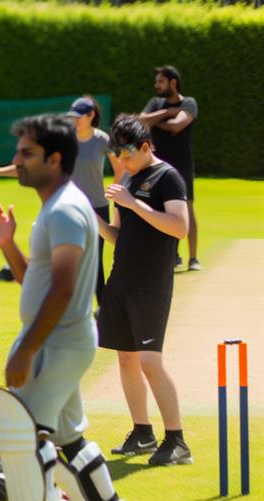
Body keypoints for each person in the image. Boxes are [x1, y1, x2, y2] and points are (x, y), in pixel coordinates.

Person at [0, 114, 140, 501]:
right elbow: (39, 279)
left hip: (59, 345)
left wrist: (28, 347)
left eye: (27, 154)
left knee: (21, 436)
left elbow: (65, 288)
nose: (17, 162)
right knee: (69, 438)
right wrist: (8, 244)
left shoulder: (67, 209)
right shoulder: (59, 206)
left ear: (55, 159)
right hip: (63, 341)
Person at [98, 115, 192, 466]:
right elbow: (118, 236)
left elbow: (179, 227)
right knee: (126, 357)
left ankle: (177, 440)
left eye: (126, 154)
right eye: (118, 155)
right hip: (121, 279)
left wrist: (133, 202)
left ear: (145, 147)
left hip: (151, 284)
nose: (121, 162)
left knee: (151, 361)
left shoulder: (167, 177)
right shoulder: (128, 178)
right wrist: (96, 221)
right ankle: (142, 432)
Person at [0, 96, 122, 304]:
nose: (75, 121)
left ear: (91, 116)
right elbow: (36, 280)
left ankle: (105, 311)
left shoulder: (102, 140)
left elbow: (120, 170)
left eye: (79, 117)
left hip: (96, 208)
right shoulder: (66, 142)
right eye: (72, 117)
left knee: (94, 264)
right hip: (68, 206)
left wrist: (118, 196)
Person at [139, 65, 199, 272]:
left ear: (173, 82)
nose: (157, 86)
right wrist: (167, 112)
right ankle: (172, 256)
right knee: (159, 209)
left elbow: (177, 126)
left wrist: (156, 121)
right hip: (158, 167)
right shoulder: (156, 103)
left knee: (187, 208)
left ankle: (193, 258)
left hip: (182, 165)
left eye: (160, 81)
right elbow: (140, 120)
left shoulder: (189, 103)